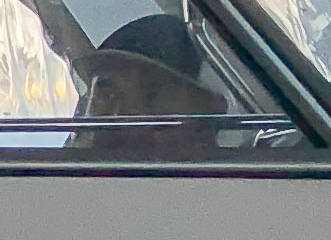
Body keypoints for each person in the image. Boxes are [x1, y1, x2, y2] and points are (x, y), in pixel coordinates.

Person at [66, 10, 233, 158]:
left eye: (149, 99)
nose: (118, 115)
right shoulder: (61, 176)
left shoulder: (229, 184)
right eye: (107, 96)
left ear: (209, 107)